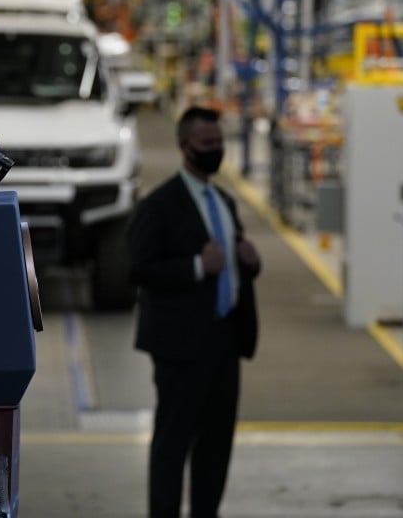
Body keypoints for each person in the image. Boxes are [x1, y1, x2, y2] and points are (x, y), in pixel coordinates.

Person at [126, 105, 261, 518]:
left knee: (216, 446)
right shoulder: (159, 205)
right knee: (173, 444)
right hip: (180, 346)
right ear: (185, 147)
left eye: (219, 142)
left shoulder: (223, 201)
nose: (215, 149)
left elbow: (233, 264)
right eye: (207, 143)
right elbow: (138, 269)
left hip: (225, 340)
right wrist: (198, 266)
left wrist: (250, 262)